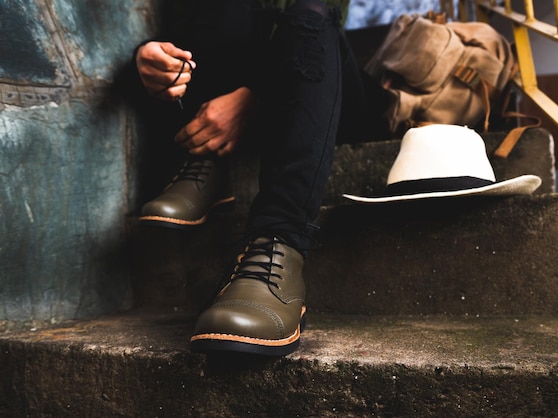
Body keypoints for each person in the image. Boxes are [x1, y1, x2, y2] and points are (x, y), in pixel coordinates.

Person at [134, 0, 391, 356]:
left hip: (327, 85)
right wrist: (152, 58)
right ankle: (208, 155)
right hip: (247, 99)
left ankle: (279, 238)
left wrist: (253, 95)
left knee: (309, 14)